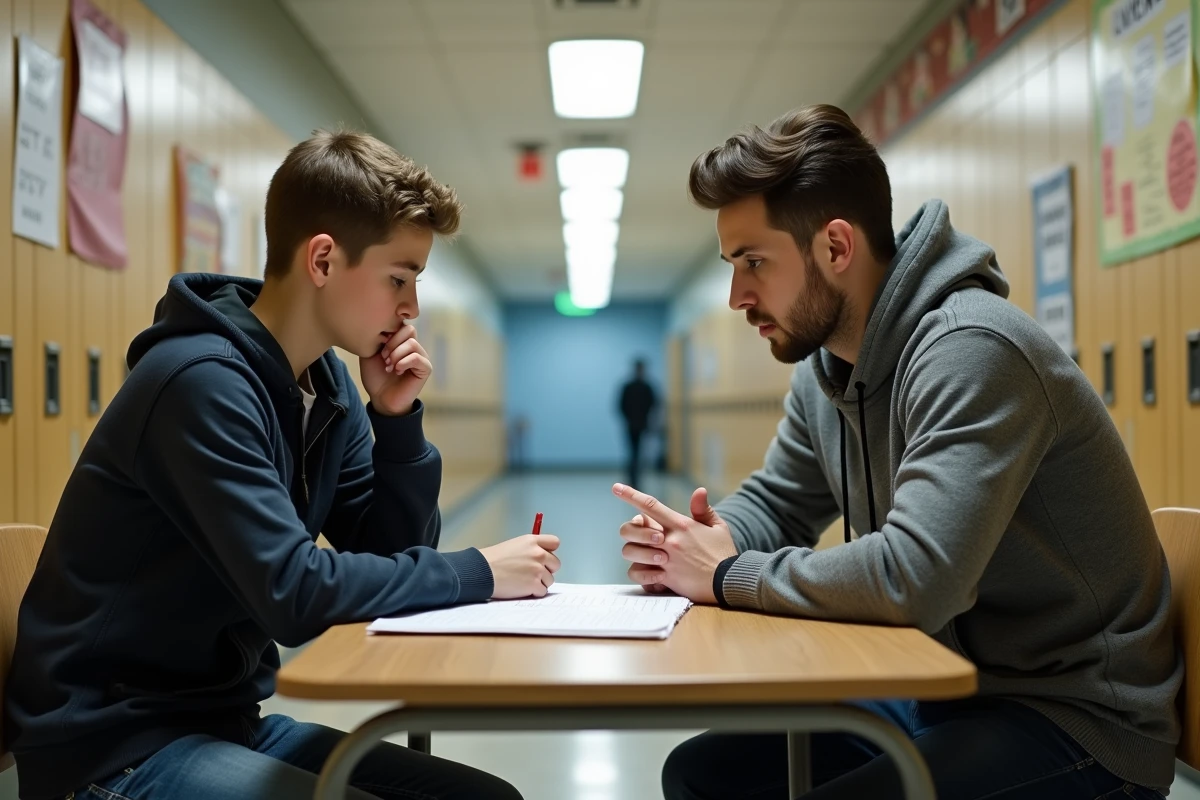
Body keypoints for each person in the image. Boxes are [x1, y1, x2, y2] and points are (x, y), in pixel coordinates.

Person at [614, 105, 1179, 800]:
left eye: (754, 262)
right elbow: (778, 500)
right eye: (733, 266)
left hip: (1070, 718)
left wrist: (729, 574)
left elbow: (920, 576)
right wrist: (695, 542)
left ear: (836, 247)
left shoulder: (972, 350)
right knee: (703, 774)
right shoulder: (826, 372)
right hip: (933, 684)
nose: (738, 295)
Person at [3, 130, 561, 800]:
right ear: (323, 260)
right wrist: (479, 573)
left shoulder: (325, 385)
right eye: (399, 278)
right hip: (111, 746)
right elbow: (293, 595)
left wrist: (395, 423)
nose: (411, 308)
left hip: (222, 722)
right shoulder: (198, 384)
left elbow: (396, 551)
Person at [618, 358, 658, 488]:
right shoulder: (636, 386)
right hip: (635, 424)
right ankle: (633, 479)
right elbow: (621, 406)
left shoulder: (643, 386)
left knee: (637, 453)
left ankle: (634, 479)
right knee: (634, 453)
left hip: (639, 424)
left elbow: (653, 405)